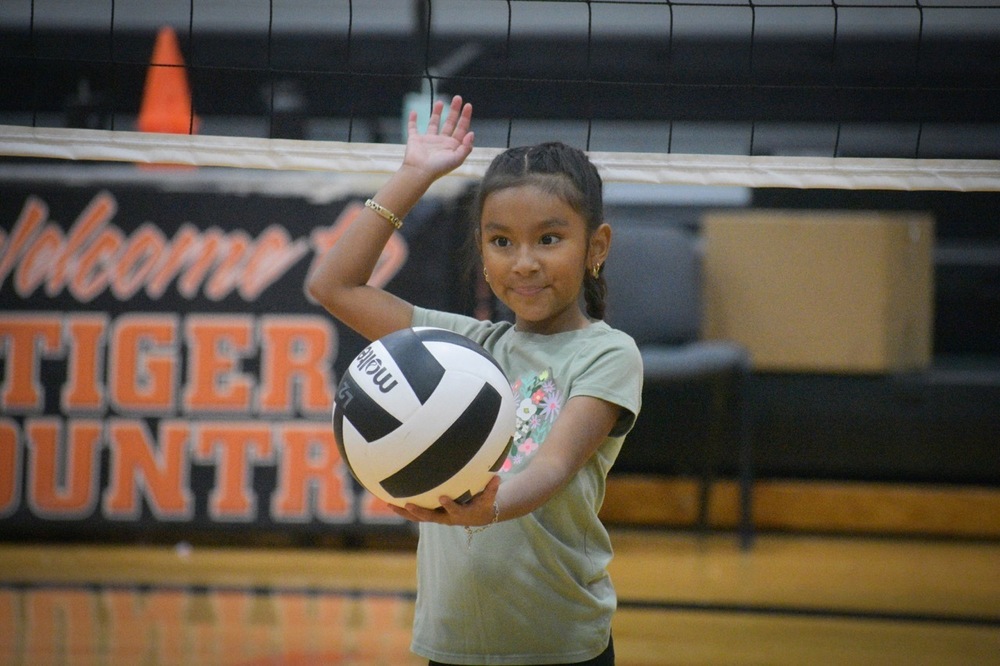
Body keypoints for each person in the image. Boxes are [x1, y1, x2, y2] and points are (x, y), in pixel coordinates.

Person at [307, 95, 643, 665]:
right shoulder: (462, 349)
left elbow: (554, 467)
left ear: (597, 247)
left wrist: (486, 507)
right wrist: (413, 177)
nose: (524, 262)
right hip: (451, 644)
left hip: (560, 646)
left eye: (549, 239)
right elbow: (332, 285)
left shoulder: (607, 353)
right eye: (501, 241)